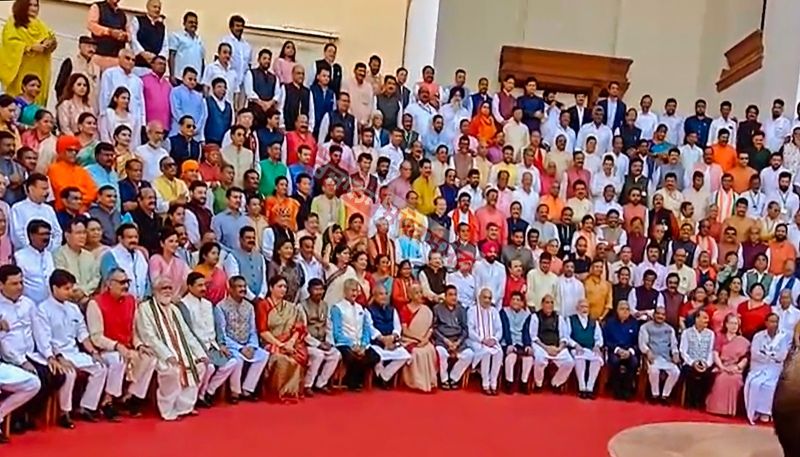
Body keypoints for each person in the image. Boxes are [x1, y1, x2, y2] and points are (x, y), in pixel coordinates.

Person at [33, 269, 110, 426]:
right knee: (69, 373)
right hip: (54, 353)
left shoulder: (73, 308)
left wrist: (93, 352)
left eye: (71, 289)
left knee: (100, 367)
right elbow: (44, 340)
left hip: (73, 351)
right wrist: (57, 358)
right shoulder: (43, 309)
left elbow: (82, 333)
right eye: (66, 289)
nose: (70, 293)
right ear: (54, 288)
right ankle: (64, 412)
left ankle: (86, 407)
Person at [85, 268, 156, 416]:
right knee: (118, 358)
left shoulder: (131, 301)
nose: (126, 286)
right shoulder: (95, 303)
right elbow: (96, 337)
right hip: (105, 350)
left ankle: (130, 397)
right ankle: (107, 400)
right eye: (122, 282)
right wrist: (117, 346)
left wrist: (140, 345)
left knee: (150, 357)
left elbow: (133, 331)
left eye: (127, 282)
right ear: (109, 284)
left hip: (127, 347)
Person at [134, 277, 206, 420]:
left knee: (200, 366)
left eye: (169, 288)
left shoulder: (174, 309)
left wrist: (200, 353)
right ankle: (167, 410)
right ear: (155, 291)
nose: (167, 291)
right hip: (158, 352)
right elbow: (149, 336)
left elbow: (186, 333)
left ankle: (184, 407)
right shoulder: (145, 308)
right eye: (163, 288)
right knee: (172, 371)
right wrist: (168, 355)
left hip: (180, 349)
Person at [178, 272, 243, 406]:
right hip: (196, 347)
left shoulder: (209, 304)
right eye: (199, 285)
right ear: (189, 287)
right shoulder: (183, 305)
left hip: (213, 345)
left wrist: (222, 344)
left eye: (205, 285)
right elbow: (187, 331)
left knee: (232, 362)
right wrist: (200, 350)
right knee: (210, 367)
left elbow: (218, 327)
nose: (203, 288)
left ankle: (208, 391)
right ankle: (197, 397)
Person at [215, 276, 269, 401]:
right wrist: (240, 348)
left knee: (264, 355)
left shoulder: (249, 306)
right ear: (230, 289)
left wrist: (251, 346)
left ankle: (247, 389)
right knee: (237, 360)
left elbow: (253, 330)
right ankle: (235, 392)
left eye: (244, 286)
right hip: (232, 346)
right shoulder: (221, 307)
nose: (243, 289)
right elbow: (222, 333)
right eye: (239, 287)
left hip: (247, 344)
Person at [256, 276, 308, 402]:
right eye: (280, 286)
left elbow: (299, 328)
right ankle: (276, 393)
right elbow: (263, 331)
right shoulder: (263, 305)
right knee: (281, 359)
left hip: (290, 343)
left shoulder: (291, 307)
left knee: (296, 357)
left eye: (285, 287)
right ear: (271, 288)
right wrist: (281, 344)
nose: (283, 289)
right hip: (270, 342)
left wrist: (290, 342)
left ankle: (291, 393)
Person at [0, 0, 57, 106]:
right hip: (21, 68)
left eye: (36, 5)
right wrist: (29, 47)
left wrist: (50, 43)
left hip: (39, 68)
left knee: (36, 98)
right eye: (30, 5)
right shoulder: (13, 22)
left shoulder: (41, 25)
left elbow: (51, 38)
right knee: (18, 102)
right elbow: (9, 43)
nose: (34, 8)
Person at [330, 278, 380, 390]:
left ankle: (357, 380)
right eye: (352, 290)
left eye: (356, 291)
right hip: (345, 343)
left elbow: (366, 328)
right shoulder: (337, 308)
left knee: (374, 357)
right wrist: (352, 345)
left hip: (361, 344)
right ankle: (351, 381)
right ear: (345, 291)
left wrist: (363, 344)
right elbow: (337, 332)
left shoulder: (360, 308)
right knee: (352, 357)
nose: (354, 293)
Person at [744, 312, 790, 424]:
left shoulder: (782, 337)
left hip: (774, 368)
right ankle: (756, 411)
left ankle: (767, 412)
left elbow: (782, 355)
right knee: (755, 383)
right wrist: (769, 356)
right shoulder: (758, 336)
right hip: (759, 367)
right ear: (766, 323)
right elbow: (755, 353)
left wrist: (769, 355)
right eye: (771, 321)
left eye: (776, 322)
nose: (774, 324)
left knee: (771, 385)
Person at [300, 279, 341, 394]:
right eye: (316, 289)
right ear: (309, 290)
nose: (319, 292)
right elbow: (302, 331)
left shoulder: (325, 305)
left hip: (322, 341)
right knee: (318, 355)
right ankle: (308, 385)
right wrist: (318, 344)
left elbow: (328, 326)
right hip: (307, 343)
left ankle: (321, 383)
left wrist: (328, 342)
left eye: (321, 289)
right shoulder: (301, 306)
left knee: (336, 354)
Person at [367, 285, 411, 387]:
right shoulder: (368, 310)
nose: (384, 297)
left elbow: (397, 326)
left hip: (391, 342)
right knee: (377, 356)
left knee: (404, 356)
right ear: (374, 296)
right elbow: (370, 327)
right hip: (376, 342)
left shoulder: (392, 310)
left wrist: (393, 336)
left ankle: (384, 376)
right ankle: (380, 377)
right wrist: (382, 338)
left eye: (386, 294)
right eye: (381, 294)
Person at [706, 314, 750, 416]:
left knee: (735, 379)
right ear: (726, 324)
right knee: (721, 379)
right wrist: (722, 367)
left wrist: (737, 367)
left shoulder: (743, 341)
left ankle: (731, 411)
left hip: (735, 368)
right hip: (721, 366)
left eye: (736, 324)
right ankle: (717, 409)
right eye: (731, 323)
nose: (734, 326)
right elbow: (715, 354)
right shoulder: (720, 337)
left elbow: (745, 358)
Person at [54, 217, 101, 308]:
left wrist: (84, 291)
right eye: (78, 233)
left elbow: (96, 278)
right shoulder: (59, 254)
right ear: (67, 236)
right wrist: (76, 291)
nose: (82, 236)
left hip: (87, 298)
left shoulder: (89, 256)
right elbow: (62, 278)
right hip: (67, 301)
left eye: (84, 233)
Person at [398, 284, 437, 392]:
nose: (420, 295)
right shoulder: (405, 309)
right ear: (410, 295)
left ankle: (430, 382)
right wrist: (419, 339)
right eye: (416, 293)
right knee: (417, 352)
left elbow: (430, 328)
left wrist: (425, 339)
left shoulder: (426, 310)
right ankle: (417, 382)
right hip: (409, 339)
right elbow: (405, 330)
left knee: (430, 350)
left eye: (421, 292)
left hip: (424, 340)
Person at [639, 306, 681, 403]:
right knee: (654, 370)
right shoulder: (645, 327)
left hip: (666, 358)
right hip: (652, 356)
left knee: (676, 372)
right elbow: (642, 343)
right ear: (654, 315)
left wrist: (675, 354)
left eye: (663, 314)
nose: (660, 316)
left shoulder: (670, 329)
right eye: (658, 314)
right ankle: (655, 395)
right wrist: (647, 352)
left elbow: (674, 345)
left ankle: (665, 395)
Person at [467, 288, 503, 395]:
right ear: (479, 298)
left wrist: (494, 339)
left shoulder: (494, 311)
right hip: (476, 341)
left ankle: (494, 383)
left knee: (499, 352)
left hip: (491, 341)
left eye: (489, 298)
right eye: (485, 297)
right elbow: (470, 329)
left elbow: (499, 329)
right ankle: (485, 383)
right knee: (486, 352)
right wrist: (482, 340)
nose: (487, 300)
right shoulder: (472, 310)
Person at [566, 299, 604, 399]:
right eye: (582, 306)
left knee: (597, 359)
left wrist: (597, 346)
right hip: (577, 348)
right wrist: (575, 345)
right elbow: (566, 336)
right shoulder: (571, 320)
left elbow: (599, 337)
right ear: (577, 308)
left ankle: (590, 388)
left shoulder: (593, 322)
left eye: (586, 307)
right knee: (580, 358)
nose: (584, 309)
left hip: (590, 348)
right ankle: (582, 387)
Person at [679, 308, 715, 409]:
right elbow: (683, 351)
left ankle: (701, 401)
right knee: (690, 373)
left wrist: (707, 364)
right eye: (704, 318)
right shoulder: (686, 333)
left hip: (704, 362)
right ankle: (690, 402)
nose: (706, 320)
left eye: (707, 318)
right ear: (696, 319)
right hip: (690, 362)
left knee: (708, 376)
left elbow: (711, 351)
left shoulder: (710, 334)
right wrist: (692, 362)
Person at [603, 301, 640, 400]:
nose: (625, 311)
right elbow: (606, 340)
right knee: (615, 361)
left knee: (634, 362)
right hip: (614, 350)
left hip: (629, 351)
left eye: (627, 309)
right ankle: (616, 390)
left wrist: (630, 351)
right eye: (622, 309)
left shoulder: (634, 323)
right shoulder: (610, 323)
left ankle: (627, 390)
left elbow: (637, 342)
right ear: (617, 310)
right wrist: (618, 350)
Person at [500, 292, 533, 393]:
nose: (515, 302)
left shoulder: (527, 314)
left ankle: (524, 382)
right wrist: (510, 344)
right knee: (511, 357)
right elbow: (505, 329)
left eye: (518, 300)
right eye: (513, 299)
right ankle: (509, 382)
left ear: (522, 303)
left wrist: (527, 345)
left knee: (529, 358)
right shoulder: (504, 311)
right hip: (508, 341)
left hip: (521, 342)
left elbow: (526, 331)